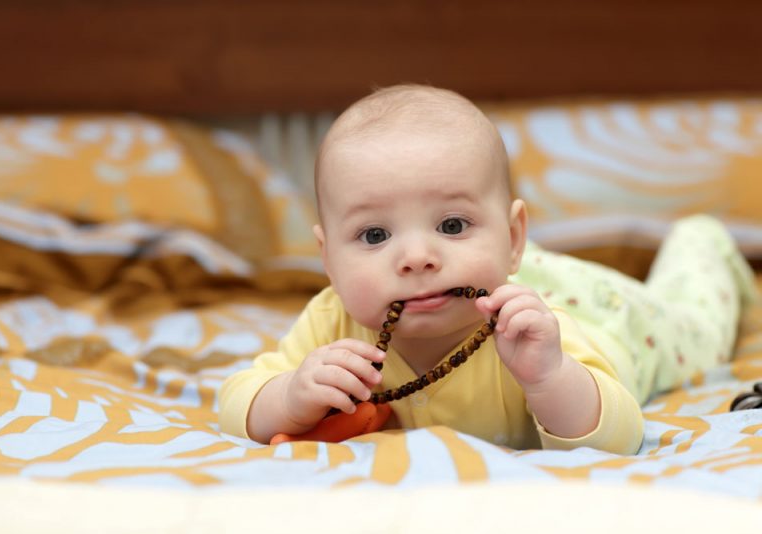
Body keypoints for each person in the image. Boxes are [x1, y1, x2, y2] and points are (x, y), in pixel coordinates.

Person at [218, 85, 757, 454]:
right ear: (328, 259)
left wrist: (549, 379)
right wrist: (287, 398)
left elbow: (619, 438)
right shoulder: (333, 322)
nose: (416, 257)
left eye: (452, 225)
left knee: (696, 321)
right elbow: (237, 397)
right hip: (510, 273)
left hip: (611, 316)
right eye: (375, 235)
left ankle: (701, 239)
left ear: (513, 237)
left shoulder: (531, 337)